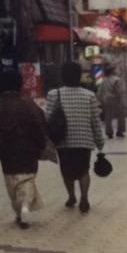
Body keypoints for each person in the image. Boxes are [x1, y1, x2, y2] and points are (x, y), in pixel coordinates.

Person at [0, 69, 49, 229]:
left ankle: (19, 212)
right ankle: (25, 206)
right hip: (28, 151)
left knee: (12, 182)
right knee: (27, 180)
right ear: (20, 84)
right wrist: (41, 144)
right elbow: (40, 125)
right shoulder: (29, 104)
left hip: (6, 153)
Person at [44, 61, 104, 214]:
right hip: (84, 140)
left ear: (62, 76)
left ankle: (71, 197)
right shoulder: (89, 95)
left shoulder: (53, 94)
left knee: (67, 170)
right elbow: (95, 121)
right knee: (84, 170)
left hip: (63, 140)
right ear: (79, 76)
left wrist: (46, 140)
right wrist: (99, 141)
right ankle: (84, 197)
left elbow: (48, 118)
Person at [97, 64, 127, 138]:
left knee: (108, 117)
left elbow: (99, 92)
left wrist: (100, 100)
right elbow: (119, 91)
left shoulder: (104, 80)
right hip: (116, 99)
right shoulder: (117, 80)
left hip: (106, 100)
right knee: (120, 116)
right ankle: (120, 131)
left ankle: (109, 132)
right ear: (112, 71)